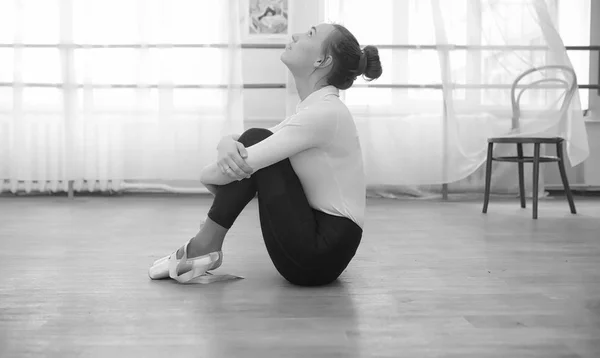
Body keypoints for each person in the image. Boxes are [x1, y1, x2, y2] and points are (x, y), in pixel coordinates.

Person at [148, 23, 383, 286]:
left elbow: (223, 169)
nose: (296, 35)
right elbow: (247, 149)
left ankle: (202, 245)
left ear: (322, 60)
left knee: (255, 141)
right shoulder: (314, 110)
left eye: (310, 34)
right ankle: (204, 246)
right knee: (255, 139)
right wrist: (226, 142)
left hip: (320, 253)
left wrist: (226, 155)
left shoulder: (324, 114)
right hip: (316, 246)